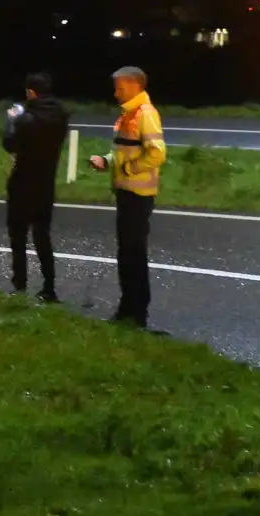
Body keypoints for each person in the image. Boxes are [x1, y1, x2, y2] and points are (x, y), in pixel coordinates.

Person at [88, 66, 167, 329]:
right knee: (126, 254)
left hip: (138, 194)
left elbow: (157, 153)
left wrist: (128, 169)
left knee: (133, 255)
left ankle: (136, 313)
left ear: (136, 85)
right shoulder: (128, 114)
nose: (115, 92)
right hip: (126, 192)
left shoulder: (145, 114)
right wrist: (107, 161)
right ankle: (127, 310)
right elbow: (126, 152)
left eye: (120, 87)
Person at [1, 72, 70, 303]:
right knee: (43, 238)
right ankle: (49, 287)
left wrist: (12, 120)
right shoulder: (60, 115)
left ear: (31, 92)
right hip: (45, 185)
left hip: (22, 185)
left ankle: (20, 286)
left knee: (18, 238)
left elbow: (10, 144)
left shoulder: (27, 119)